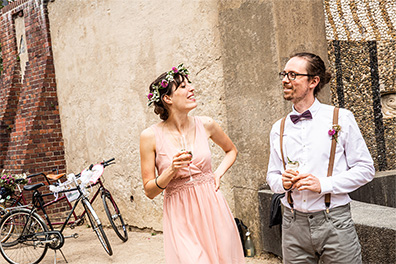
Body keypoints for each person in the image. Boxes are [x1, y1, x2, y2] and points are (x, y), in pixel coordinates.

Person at [266, 52, 375, 263]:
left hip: (334, 221)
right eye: (284, 74)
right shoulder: (278, 128)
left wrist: (322, 184)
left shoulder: (341, 118)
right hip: (292, 224)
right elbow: (272, 176)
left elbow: (366, 169)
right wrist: (283, 182)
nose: (285, 80)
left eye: (293, 75)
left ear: (313, 81)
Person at [140, 64, 245, 264]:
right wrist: (171, 170)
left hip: (212, 205)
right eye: (182, 87)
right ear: (167, 99)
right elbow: (149, 191)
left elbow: (231, 150)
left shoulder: (207, 124)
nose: (191, 89)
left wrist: (218, 174)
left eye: (190, 84)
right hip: (180, 212)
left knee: (223, 258)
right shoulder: (149, 136)